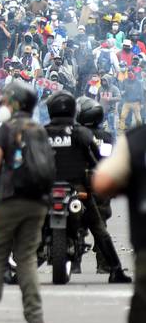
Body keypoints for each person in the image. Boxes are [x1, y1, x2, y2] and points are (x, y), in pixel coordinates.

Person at [0, 81, 50, 323]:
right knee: (27, 257)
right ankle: (35, 318)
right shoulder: (39, 129)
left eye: (6, 101)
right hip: (37, 203)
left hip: (8, 200)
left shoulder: (5, 130)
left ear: (16, 104)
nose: (2, 105)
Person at [44, 90, 131, 282]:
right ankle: (115, 269)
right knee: (99, 229)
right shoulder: (81, 133)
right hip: (78, 187)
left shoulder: (41, 133)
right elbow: (96, 160)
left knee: (33, 227)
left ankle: (20, 268)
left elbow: (30, 161)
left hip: (48, 189)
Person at [91, 124, 146, 323]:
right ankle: (111, 266)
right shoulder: (87, 135)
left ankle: (111, 266)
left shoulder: (137, 139)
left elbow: (103, 182)